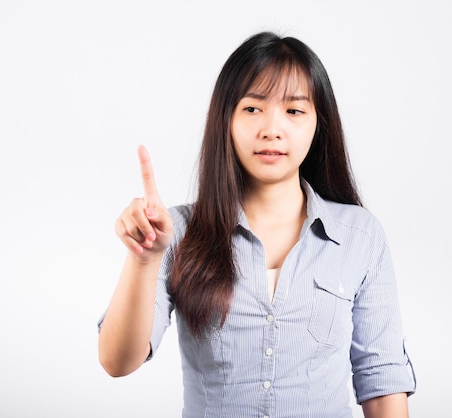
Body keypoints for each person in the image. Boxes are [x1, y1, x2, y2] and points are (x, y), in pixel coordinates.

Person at [97, 31, 416, 417]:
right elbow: (118, 362)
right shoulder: (178, 232)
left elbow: (381, 380)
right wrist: (144, 259)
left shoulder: (360, 236)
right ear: (226, 120)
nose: (271, 129)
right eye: (252, 109)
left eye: (294, 110)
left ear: (319, 123)